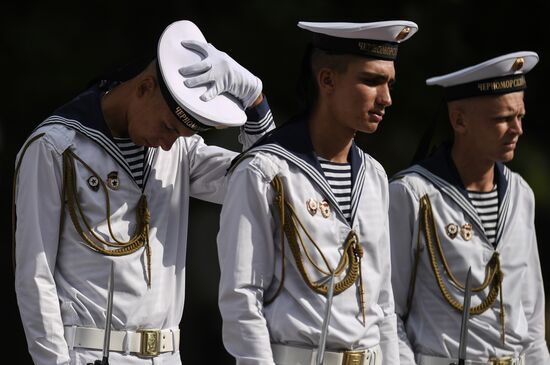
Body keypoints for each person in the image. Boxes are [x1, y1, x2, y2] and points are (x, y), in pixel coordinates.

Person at [12, 20, 275, 365]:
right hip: (89, 355)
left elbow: (268, 188)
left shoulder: (178, 151)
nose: (170, 142)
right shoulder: (56, 147)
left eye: (182, 134)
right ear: (144, 87)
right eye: (168, 126)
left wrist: (256, 104)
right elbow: (35, 275)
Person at [216, 20, 418, 365]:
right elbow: (242, 297)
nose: (386, 99)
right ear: (327, 80)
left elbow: (383, 302)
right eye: (371, 81)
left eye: (389, 84)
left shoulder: (374, 176)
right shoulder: (266, 170)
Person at [389, 51, 550, 364]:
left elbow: (531, 318)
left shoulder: (521, 194)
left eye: (520, 116)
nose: (517, 129)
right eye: (502, 118)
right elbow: (388, 310)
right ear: (459, 120)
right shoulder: (412, 194)